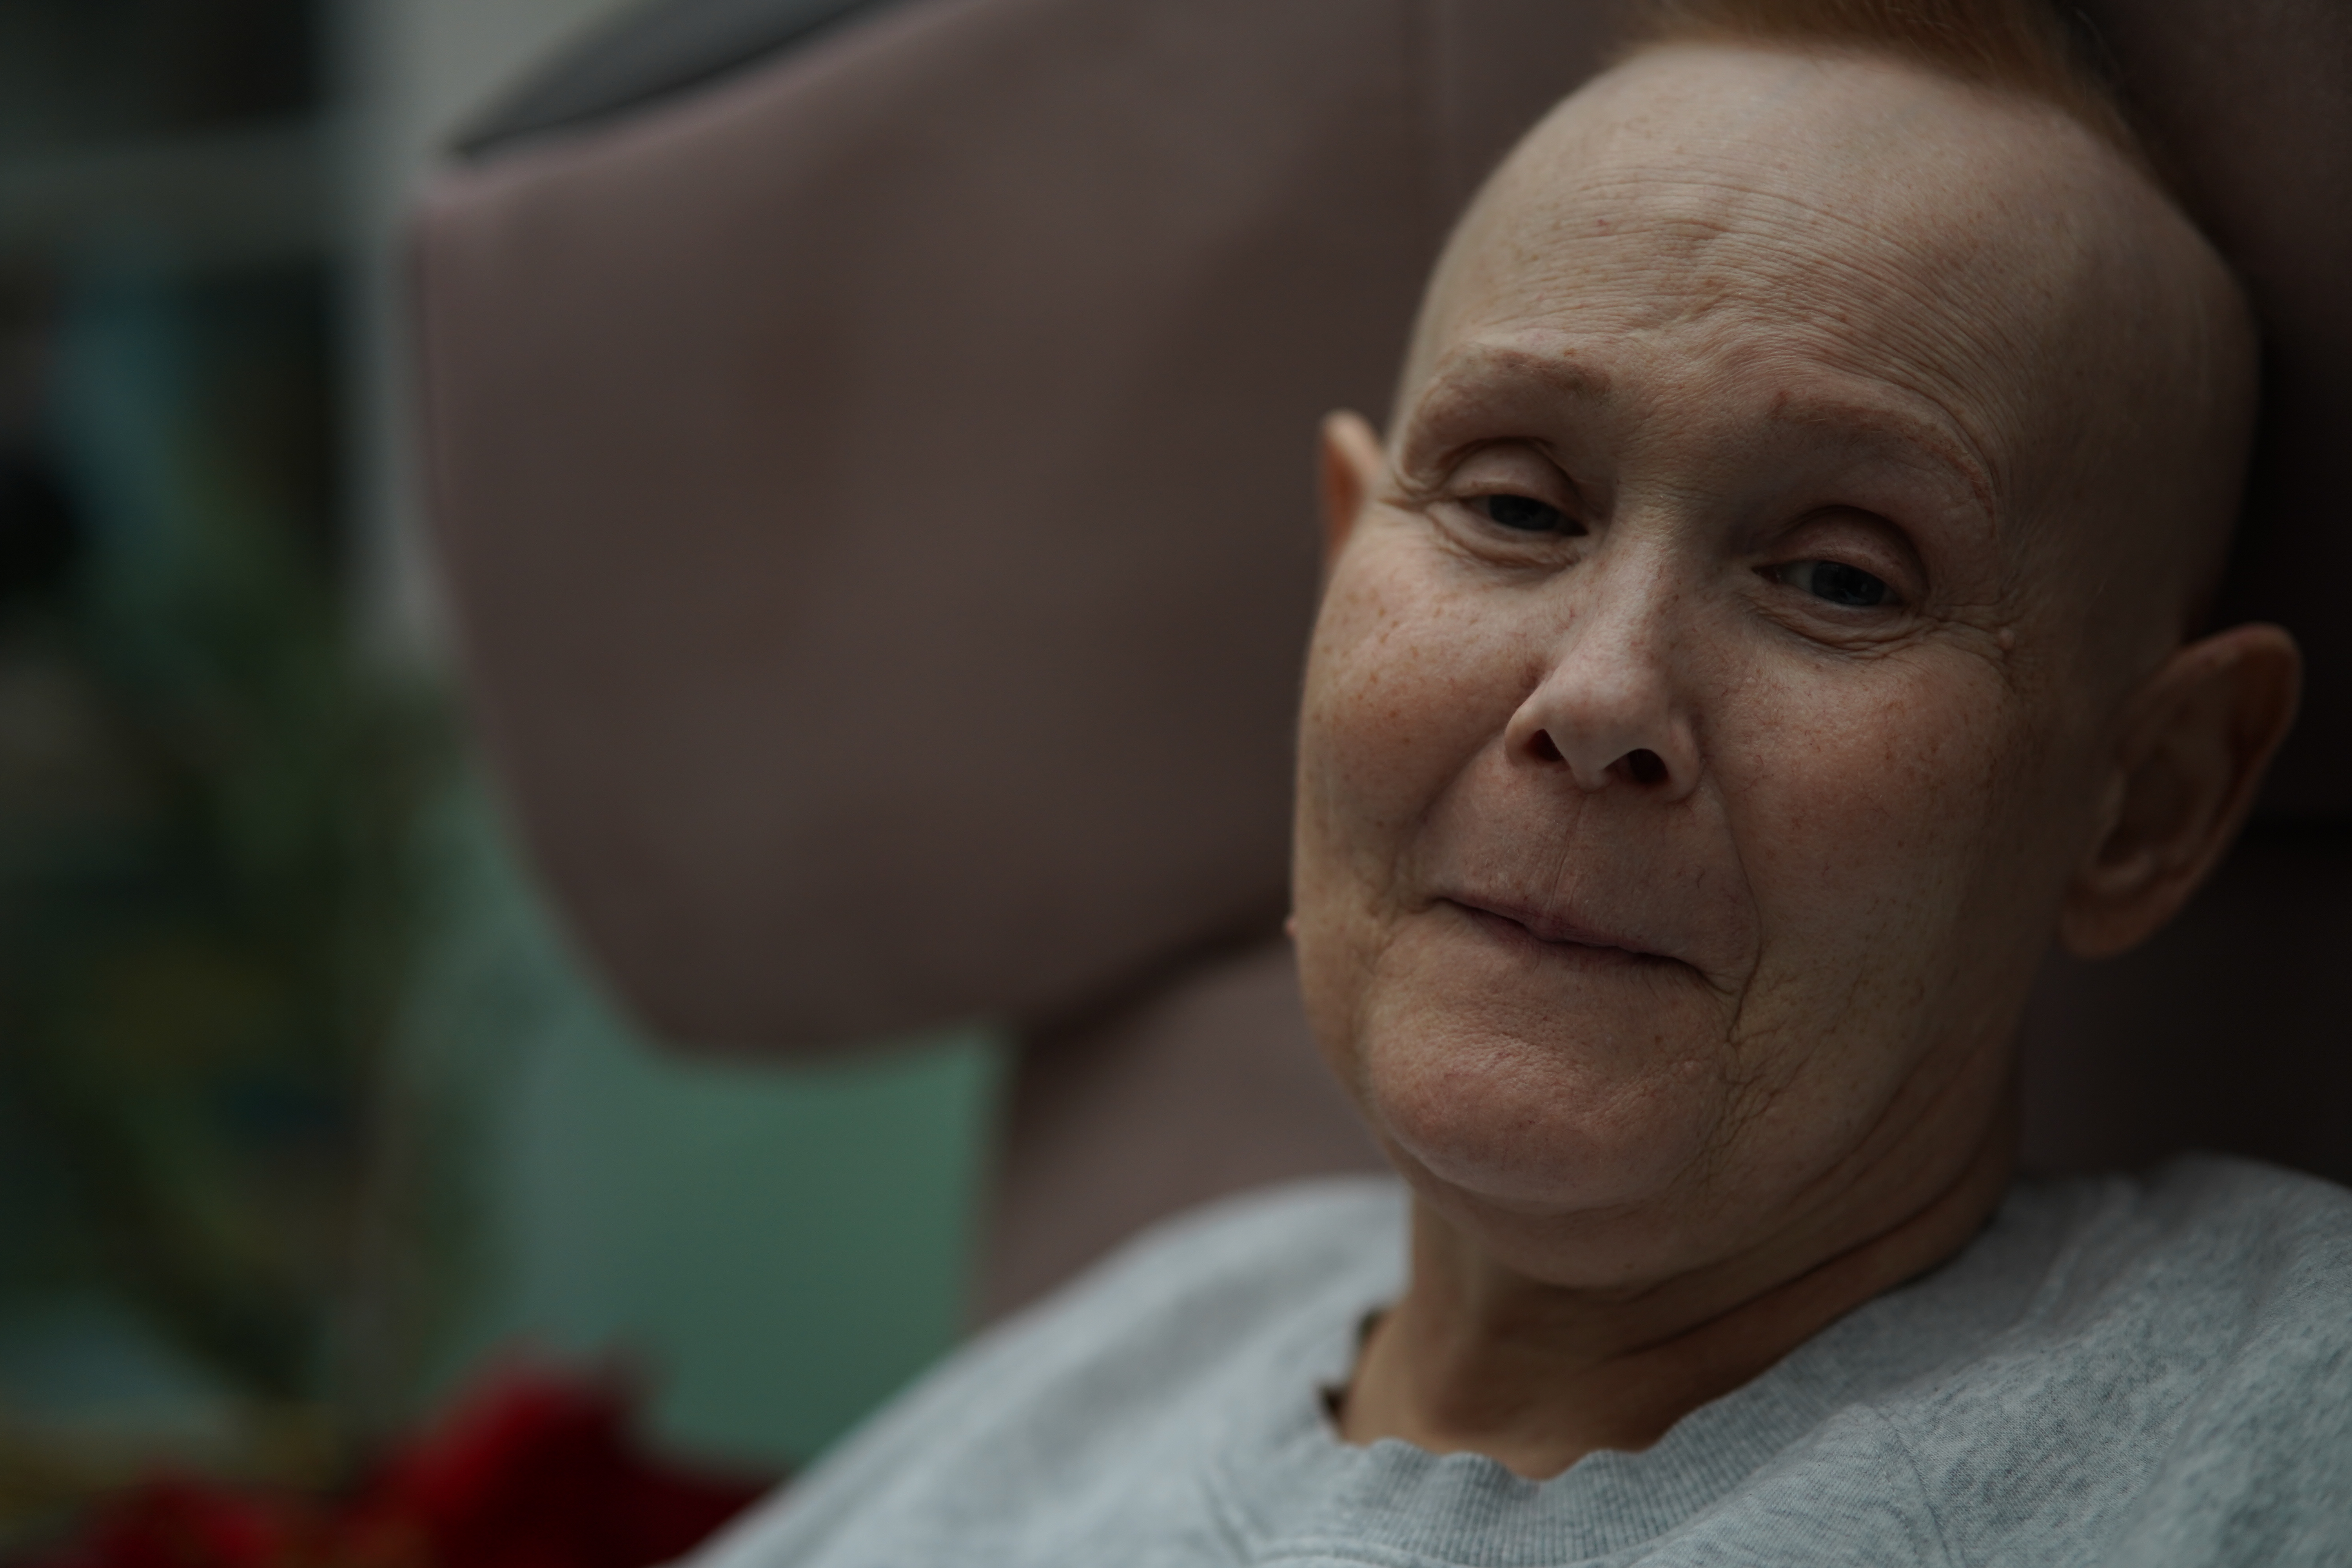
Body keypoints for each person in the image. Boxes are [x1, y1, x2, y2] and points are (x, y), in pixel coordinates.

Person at [695, 0, 2352, 1561]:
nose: (1601, 695)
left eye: (1843, 579)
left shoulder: (2282, 1408)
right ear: (1345, 568)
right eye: (1515, 507)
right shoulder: (1107, 1359)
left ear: (2147, 798)